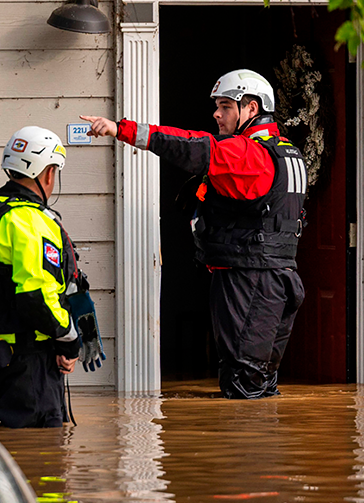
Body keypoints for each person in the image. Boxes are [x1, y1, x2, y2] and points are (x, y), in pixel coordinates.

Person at [82, 69, 306, 399]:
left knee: (242, 386)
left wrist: (122, 130)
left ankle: (245, 433)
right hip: (282, 278)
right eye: (217, 106)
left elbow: (189, 146)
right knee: (260, 383)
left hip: (250, 279)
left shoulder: (247, 153)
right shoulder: (289, 154)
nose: (217, 114)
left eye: (226, 106)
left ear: (252, 108)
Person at [0, 126, 104, 428]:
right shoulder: (30, 221)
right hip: (28, 360)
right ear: (47, 173)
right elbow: (37, 297)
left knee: (13, 444)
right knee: (44, 450)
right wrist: (69, 341)